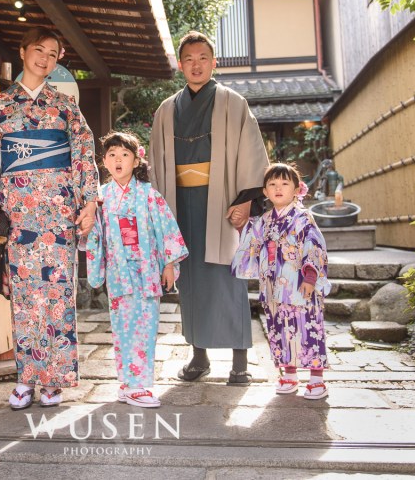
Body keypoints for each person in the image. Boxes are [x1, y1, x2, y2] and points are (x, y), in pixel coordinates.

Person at [0, 26, 99, 410]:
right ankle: (26, 379)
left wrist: (88, 203)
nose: (44, 58)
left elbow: (83, 155)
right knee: (23, 298)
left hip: (58, 213)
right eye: (38, 50)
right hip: (18, 214)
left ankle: (53, 382)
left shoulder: (65, 106)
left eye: (53, 54)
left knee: (58, 296)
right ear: (23, 52)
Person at [149, 31, 270, 386]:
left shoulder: (233, 103)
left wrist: (246, 201)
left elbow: (251, 152)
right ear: (180, 66)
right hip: (179, 204)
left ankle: (239, 361)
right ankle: (198, 356)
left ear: (214, 62)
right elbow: (156, 162)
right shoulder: (167, 109)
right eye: (189, 59)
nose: (196, 64)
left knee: (227, 279)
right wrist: (158, 213)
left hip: (222, 203)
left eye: (203, 57)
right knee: (191, 281)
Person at [84, 132, 189, 408]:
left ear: (136, 160)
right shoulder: (101, 197)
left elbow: (165, 228)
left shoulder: (148, 194)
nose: (118, 160)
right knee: (121, 327)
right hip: (119, 270)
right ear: (103, 161)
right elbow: (94, 235)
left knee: (145, 325)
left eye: (125, 155)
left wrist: (169, 263)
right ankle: (129, 383)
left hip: (146, 268)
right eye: (112, 155)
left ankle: (139, 384)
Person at [234, 162, 330, 400]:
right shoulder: (263, 221)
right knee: (280, 330)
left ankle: (316, 378)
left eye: (285, 183)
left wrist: (310, 275)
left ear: (297, 189)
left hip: (300, 285)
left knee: (308, 328)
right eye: (272, 184)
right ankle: (289, 373)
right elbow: (251, 245)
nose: (278, 188)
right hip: (273, 286)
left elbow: (314, 245)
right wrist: (240, 230)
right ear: (265, 192)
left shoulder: (304, 218)